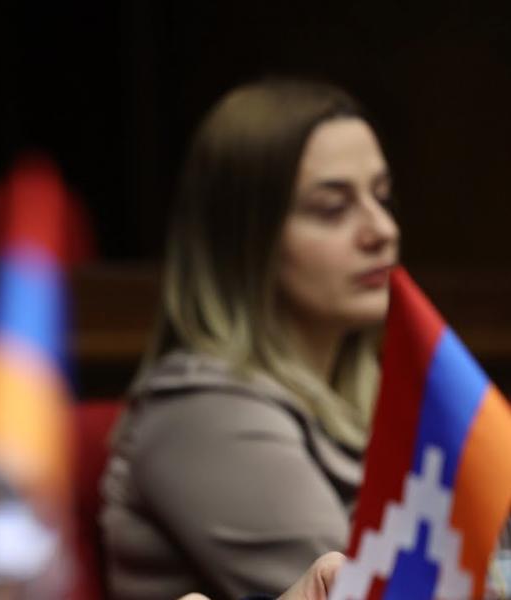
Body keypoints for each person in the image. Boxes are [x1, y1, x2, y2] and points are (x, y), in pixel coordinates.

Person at [101, 79, 399, 599]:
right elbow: (372, 592)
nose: (382, 230)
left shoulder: (379, 391)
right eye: (333, 208)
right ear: (243, 240)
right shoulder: (204, 414)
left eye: (381, 197)